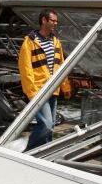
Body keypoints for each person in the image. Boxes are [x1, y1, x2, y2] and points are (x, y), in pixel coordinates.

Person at [18, 8, 72, 151]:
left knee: (51, 125)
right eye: (53, 20)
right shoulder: (30, 42)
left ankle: (46, 153)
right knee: (46, 124)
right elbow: (25, 68)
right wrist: (31, 92)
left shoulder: (55, 41)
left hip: (53, 89)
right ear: (44, 20)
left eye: (56, 21)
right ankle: (29, 151)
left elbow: (61, 66)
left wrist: (65, 87)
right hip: (38, 90)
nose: (55, 23)